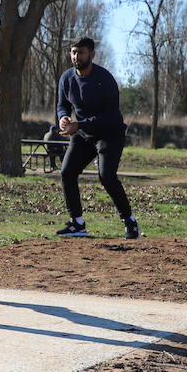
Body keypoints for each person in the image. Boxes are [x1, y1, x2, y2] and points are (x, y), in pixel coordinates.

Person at [54, 37, 140, 240]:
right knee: (67, 172)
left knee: (106, 176)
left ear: (92, 55)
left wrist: (79, 124)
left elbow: (110, 116)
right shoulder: (66, 78)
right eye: (74, 52)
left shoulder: (105, 79)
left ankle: (130, 222)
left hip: (110, 132)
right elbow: (62, 105)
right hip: (84, 134)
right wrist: (63, 118)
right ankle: (78, 223)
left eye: (81, 52)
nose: (76, 56)